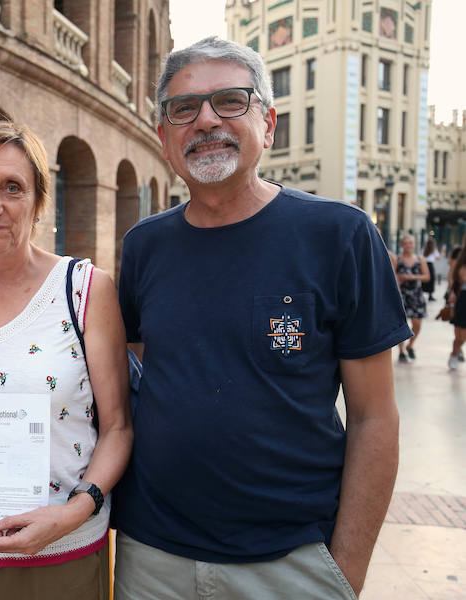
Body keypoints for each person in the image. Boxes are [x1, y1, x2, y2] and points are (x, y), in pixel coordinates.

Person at [115, 37, 410, 599]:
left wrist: (344, 573)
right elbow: (133, 379)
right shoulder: (144, 247)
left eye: (231, 101)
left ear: (268, 124)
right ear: (164, 138)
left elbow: (375, 417)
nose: (205, 120)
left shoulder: (340, 236)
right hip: (154, 558)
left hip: (292, 561)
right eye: (184, 109)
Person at [0, 121, 132, 599]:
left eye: (13, 187)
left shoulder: (85, 290)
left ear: (38, 201)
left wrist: (76, 511)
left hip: (59, 552)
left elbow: (118, 427)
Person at [394, 235, 429, 362]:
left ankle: (410, 345)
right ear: (402, 245)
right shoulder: (397, 259)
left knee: (417, 324)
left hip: (416, 295)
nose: (408, 245)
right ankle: (401, 351)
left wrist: (413, 277)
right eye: (406, 243)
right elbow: (393, 275)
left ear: (414, 245)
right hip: (402, 294)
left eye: (411, 243)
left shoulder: (420, 259)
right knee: (401, 324)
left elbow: (426, 276)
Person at [446, 237, 466, 369]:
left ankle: (456, 352)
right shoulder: (461, 259)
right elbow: (460, 277)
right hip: (463, 297)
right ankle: (454, 353)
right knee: (460, 336)